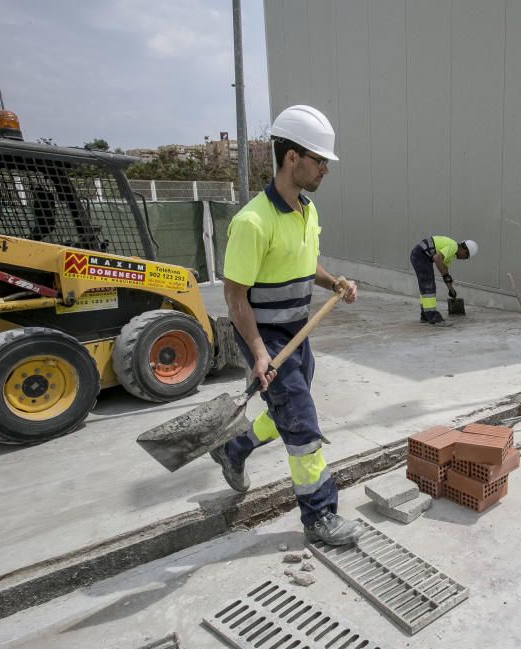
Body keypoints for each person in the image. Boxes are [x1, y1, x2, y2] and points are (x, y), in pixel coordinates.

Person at [209, 105, 361, 546]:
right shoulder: (252, 221)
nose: (326, 169)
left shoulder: (306, 210)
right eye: (319, 160)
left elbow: (303, 260)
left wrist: (334, 282)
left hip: (298, 330)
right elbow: (235, 297)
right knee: (303, 426)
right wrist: (258, 352)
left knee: (286, 414)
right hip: (267, 336)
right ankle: (319, 517)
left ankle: (232, 448)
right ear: (292, 158)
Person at [409, 236, 478, 325]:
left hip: (420, 255)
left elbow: (445, 272)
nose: (464, 259)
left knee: (426, 286)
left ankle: (425, 315)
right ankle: (433, 317)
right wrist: (445, 275)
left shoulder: (451, 254)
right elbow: (437, 258)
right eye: (466, 256)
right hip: (421, 255)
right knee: (428, 286)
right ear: (464, 249)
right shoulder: (453, 247)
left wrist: (451, 290)